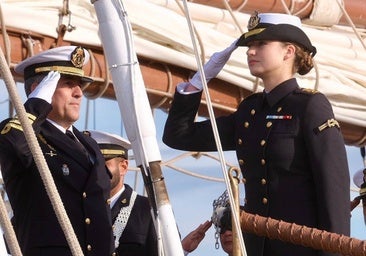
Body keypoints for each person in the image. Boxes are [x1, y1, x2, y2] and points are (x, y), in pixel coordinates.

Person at [163, 12, 350, 256]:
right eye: (250, 45)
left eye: (261, 44)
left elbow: (333, 189)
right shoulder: (250, 112)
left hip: (302, 248)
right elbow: (179, 135)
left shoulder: (309, 106)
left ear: (288, 51)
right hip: (255, 248)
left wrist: (337, 251)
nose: (251, 51)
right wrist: (199, 81)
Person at [0, 46, 115, 255]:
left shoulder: (90, 146)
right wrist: (36, 104)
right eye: (68, 84)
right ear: (40, 89)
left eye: (79, 85)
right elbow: (13, 143)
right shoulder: (23, 135)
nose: (79, 93)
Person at [86, 130, 159, 256]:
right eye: (90, 164)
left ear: (123, 167)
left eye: (103, 164)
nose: (96, 171)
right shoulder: (76, 208)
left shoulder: (148, 210)